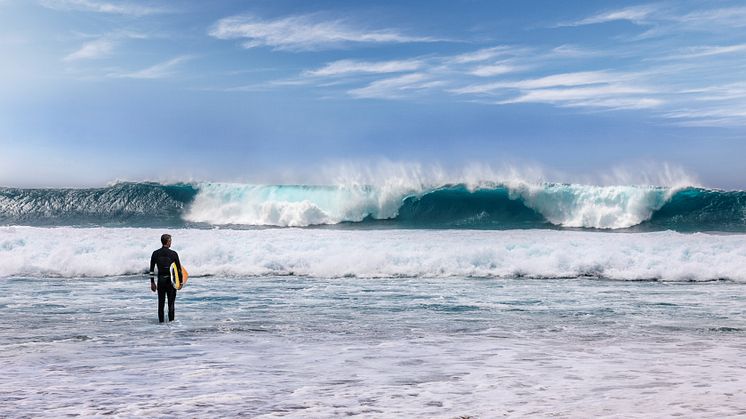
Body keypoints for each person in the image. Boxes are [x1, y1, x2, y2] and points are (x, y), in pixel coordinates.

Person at [149, 234, 183, 323]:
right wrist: (181, 282)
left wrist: (152, 282)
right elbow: (179, 270)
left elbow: (151, 269)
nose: (171, 242)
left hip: (160, 281)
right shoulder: (173, 254)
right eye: (170, 241)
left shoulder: (155, 253)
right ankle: (171, 325)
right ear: (168, 242)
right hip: (170, 282)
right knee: (171, 304)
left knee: (161, 304)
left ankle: (161, 325)